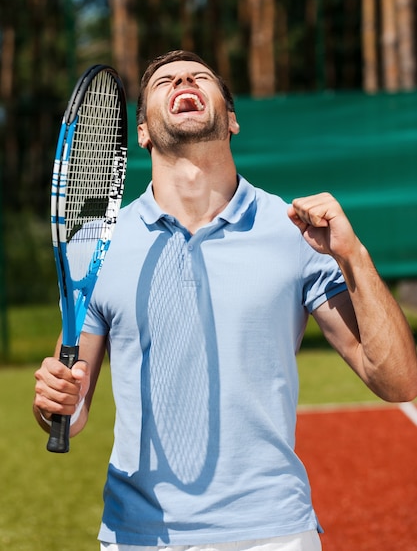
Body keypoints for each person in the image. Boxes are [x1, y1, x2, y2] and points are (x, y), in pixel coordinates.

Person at [34, 50, 417, 551]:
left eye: (200, 76)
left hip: (274, 531)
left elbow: (398, 379)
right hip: (139, 536)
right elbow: (72, 409)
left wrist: (354, 255)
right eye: (164, 81)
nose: (183, 81)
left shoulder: (295, 232)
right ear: (144, 132)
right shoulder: (101, 246)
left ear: (231, 118)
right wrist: (55, 404)